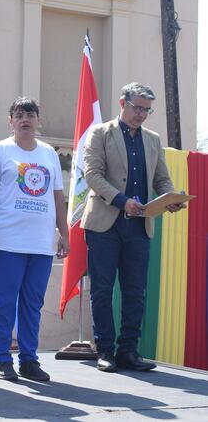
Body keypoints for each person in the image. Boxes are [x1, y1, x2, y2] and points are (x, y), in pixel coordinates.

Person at [81, 82, 183, 373]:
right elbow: (93, 175)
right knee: (102, 290)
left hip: (140, 227)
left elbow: (162, 179)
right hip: (105, 223)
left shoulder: (152, 139)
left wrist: (170, 199)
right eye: (137, 107)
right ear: (122, 102)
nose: (141, 115)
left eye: (147, 110)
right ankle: (104, 351)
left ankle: (129, 351)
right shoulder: (100, 132)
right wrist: (121, 200)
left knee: (135, 290)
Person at [0, 97, 69, 382]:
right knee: (4, 302)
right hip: (7, 242)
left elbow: (57, 196)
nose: (25, 119)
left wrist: (63, 234)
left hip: (41, 244)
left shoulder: (49, 155)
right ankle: (3, 358)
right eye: (19, 115)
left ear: (38, 120)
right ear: (11, 121)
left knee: (33, 303)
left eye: (30, 114)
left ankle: (29, 360)